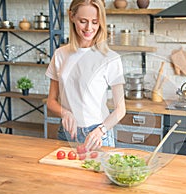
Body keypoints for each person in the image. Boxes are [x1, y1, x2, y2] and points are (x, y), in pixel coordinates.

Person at [45, 0, 126, 151]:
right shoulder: (60, 54)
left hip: (97, 135)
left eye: (95, 22)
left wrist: (101, 130)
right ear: (72, 17)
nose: (89, 28)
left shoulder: (110, 58)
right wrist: (65, 112)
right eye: (83, 21)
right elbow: (51, 101)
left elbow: (120, 109)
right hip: (67, 133)